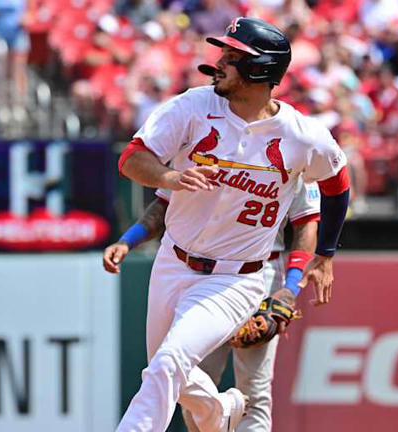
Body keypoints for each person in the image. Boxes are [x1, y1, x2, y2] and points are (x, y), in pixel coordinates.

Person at [114, 17, 350, 432]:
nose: (220, 61)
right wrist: (167, 177)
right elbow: (131, 158)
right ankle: (218, 414)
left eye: (233, 56)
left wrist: (324, 255)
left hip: (236, 278)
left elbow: (337, 185)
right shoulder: (193, 106)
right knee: (167, 370)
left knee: (170, 363)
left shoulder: (301, 136)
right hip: (174, 261)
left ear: (260, 70)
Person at [103, 179, 319, 431]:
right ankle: (220, 411)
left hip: (259, 271)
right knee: (185, 375)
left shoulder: (298, 144)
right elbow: (164, 203)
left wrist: (290, 289)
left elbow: (307, 223)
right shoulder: (204, 143)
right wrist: (128, 240)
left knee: (255, 388)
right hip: (200, 273)